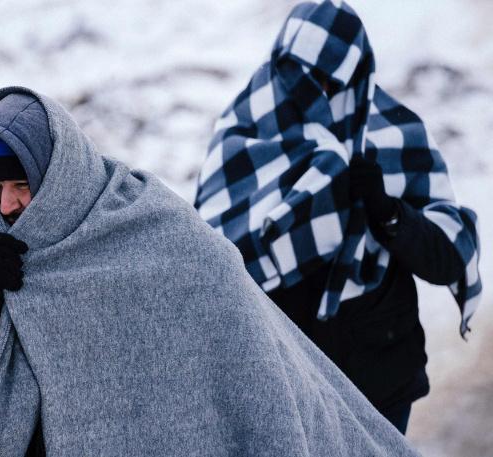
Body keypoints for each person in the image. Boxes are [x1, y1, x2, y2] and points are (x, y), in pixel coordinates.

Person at [0, 86, 419, 456]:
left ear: (58, 170)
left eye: (21, 185)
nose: (7, 205)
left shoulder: (148, 224)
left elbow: (249, 361)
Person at [194, 0, 482, 435]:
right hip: (284, 385)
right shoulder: (247, 131)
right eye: (303, 77)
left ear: (358, 74)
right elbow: (214, 262)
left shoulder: (392, 135)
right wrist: (291, 220)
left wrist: (389, 213)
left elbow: (447, 258)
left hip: (380, 379)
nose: (318, 94)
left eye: (333, 81)